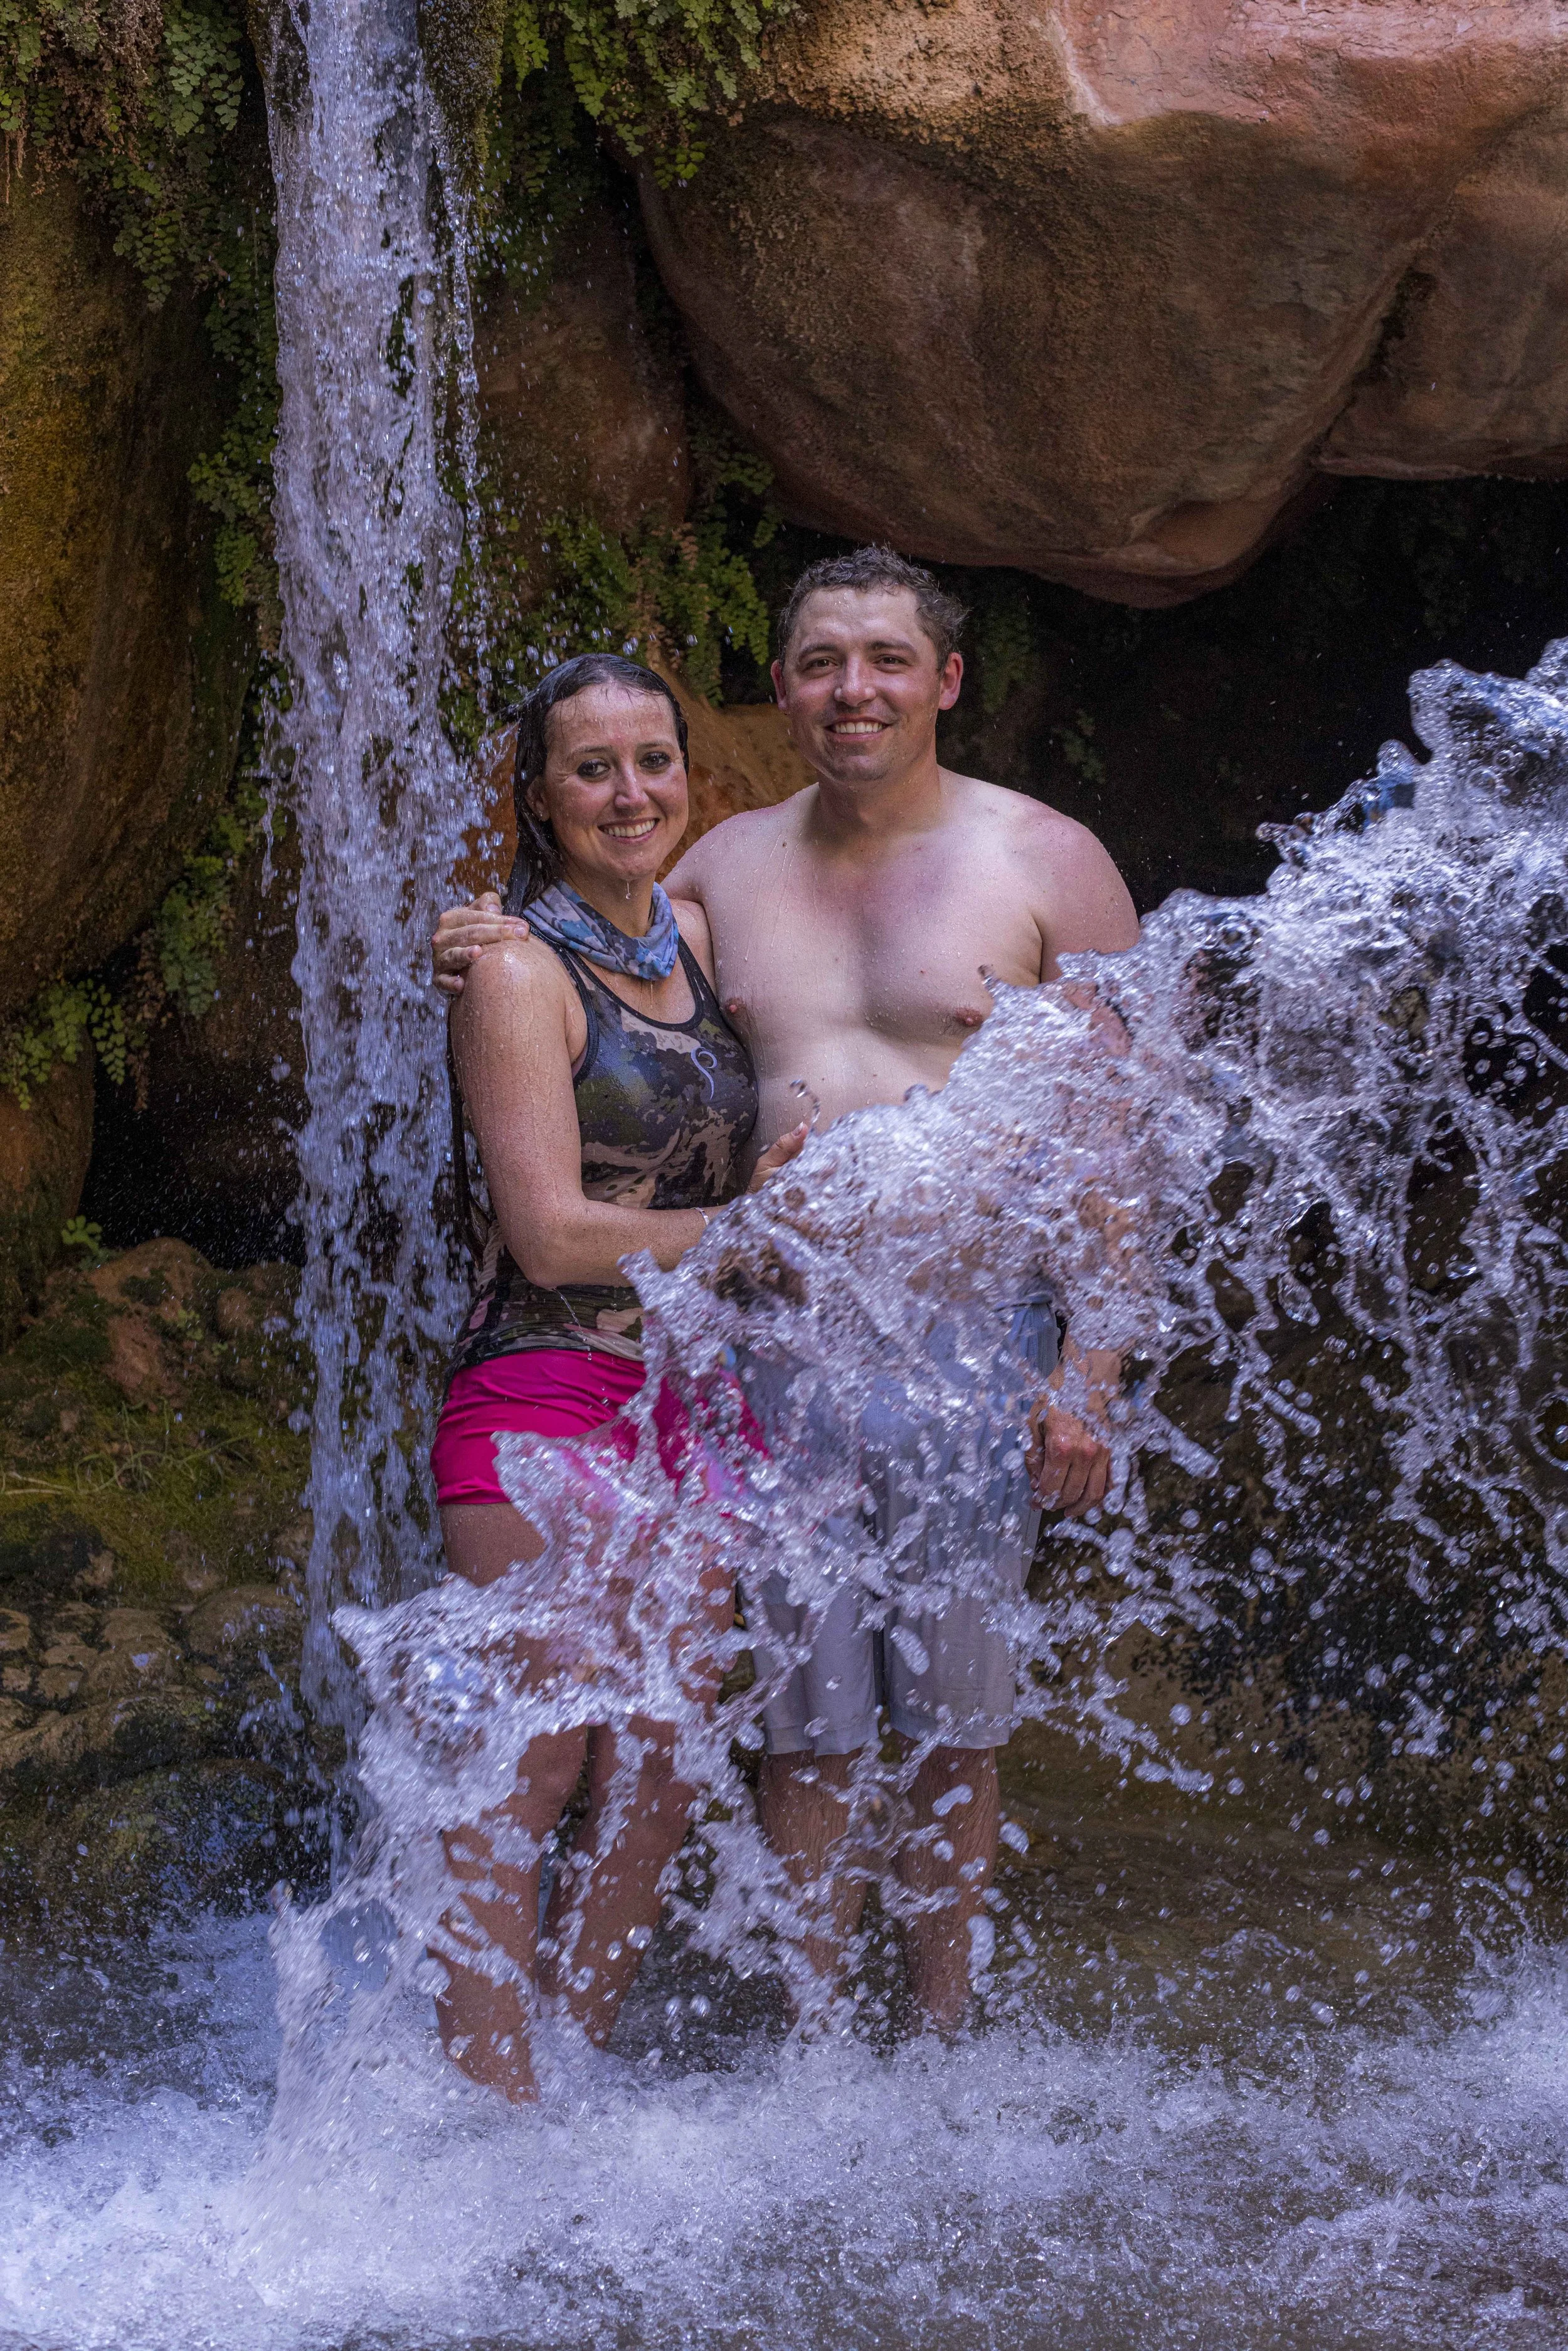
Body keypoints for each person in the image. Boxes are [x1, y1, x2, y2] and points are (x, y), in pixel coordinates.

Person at [433, 548, 1140, 2033]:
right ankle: (814, 2043)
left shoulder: (1046, 860)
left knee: (955, 1722)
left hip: (967, 1344)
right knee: (801, 1728)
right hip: (763, 1350)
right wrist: (474, 934)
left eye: (886, 658)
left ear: (944, 680)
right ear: (783, 687)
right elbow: (584, 933)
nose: (852, 688)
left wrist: (1090, 1367)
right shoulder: (719, 865)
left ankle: (939, 2031)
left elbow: (1118, 1146)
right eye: (821, 661)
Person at [430, 651, 807, 2103]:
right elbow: (552, 1230)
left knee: (661, 1766)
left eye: (651, 760)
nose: (629, 791)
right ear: (539, 796)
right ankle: (482, 2098)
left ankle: (563, 2072)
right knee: (530, 1761)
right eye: (591, 768)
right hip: (543, 1397)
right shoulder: (517, 969)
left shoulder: (702, 929)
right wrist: (755, 1230)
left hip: (689, 1410)